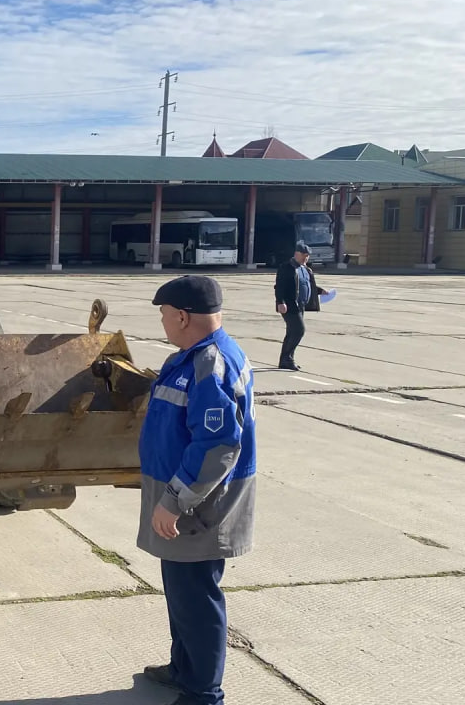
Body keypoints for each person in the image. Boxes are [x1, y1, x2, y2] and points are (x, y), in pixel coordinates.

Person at [138, 275, 256, 705]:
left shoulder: (211, 363)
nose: (164, 322)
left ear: (183, 316)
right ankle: (185, 668)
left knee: (198, 599)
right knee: (182, 594)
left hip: (198, 506)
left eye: (166, 315)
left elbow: (218, 444)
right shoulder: (193, 357)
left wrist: (172, 502)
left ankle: (204, 694)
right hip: (184, 499)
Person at [273, 241, 326, 371]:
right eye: (304, 255)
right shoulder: (286, 267)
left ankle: (286, 360)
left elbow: (307, 285)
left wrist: (320, 291)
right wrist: (280, 302)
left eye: (307, 255)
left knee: (292, 332)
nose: (306, 258)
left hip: (301, 305)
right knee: (299, 330)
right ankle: (287, 359)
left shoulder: (305, 269)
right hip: (289, 305)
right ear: (296, 254)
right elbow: (279, 286)